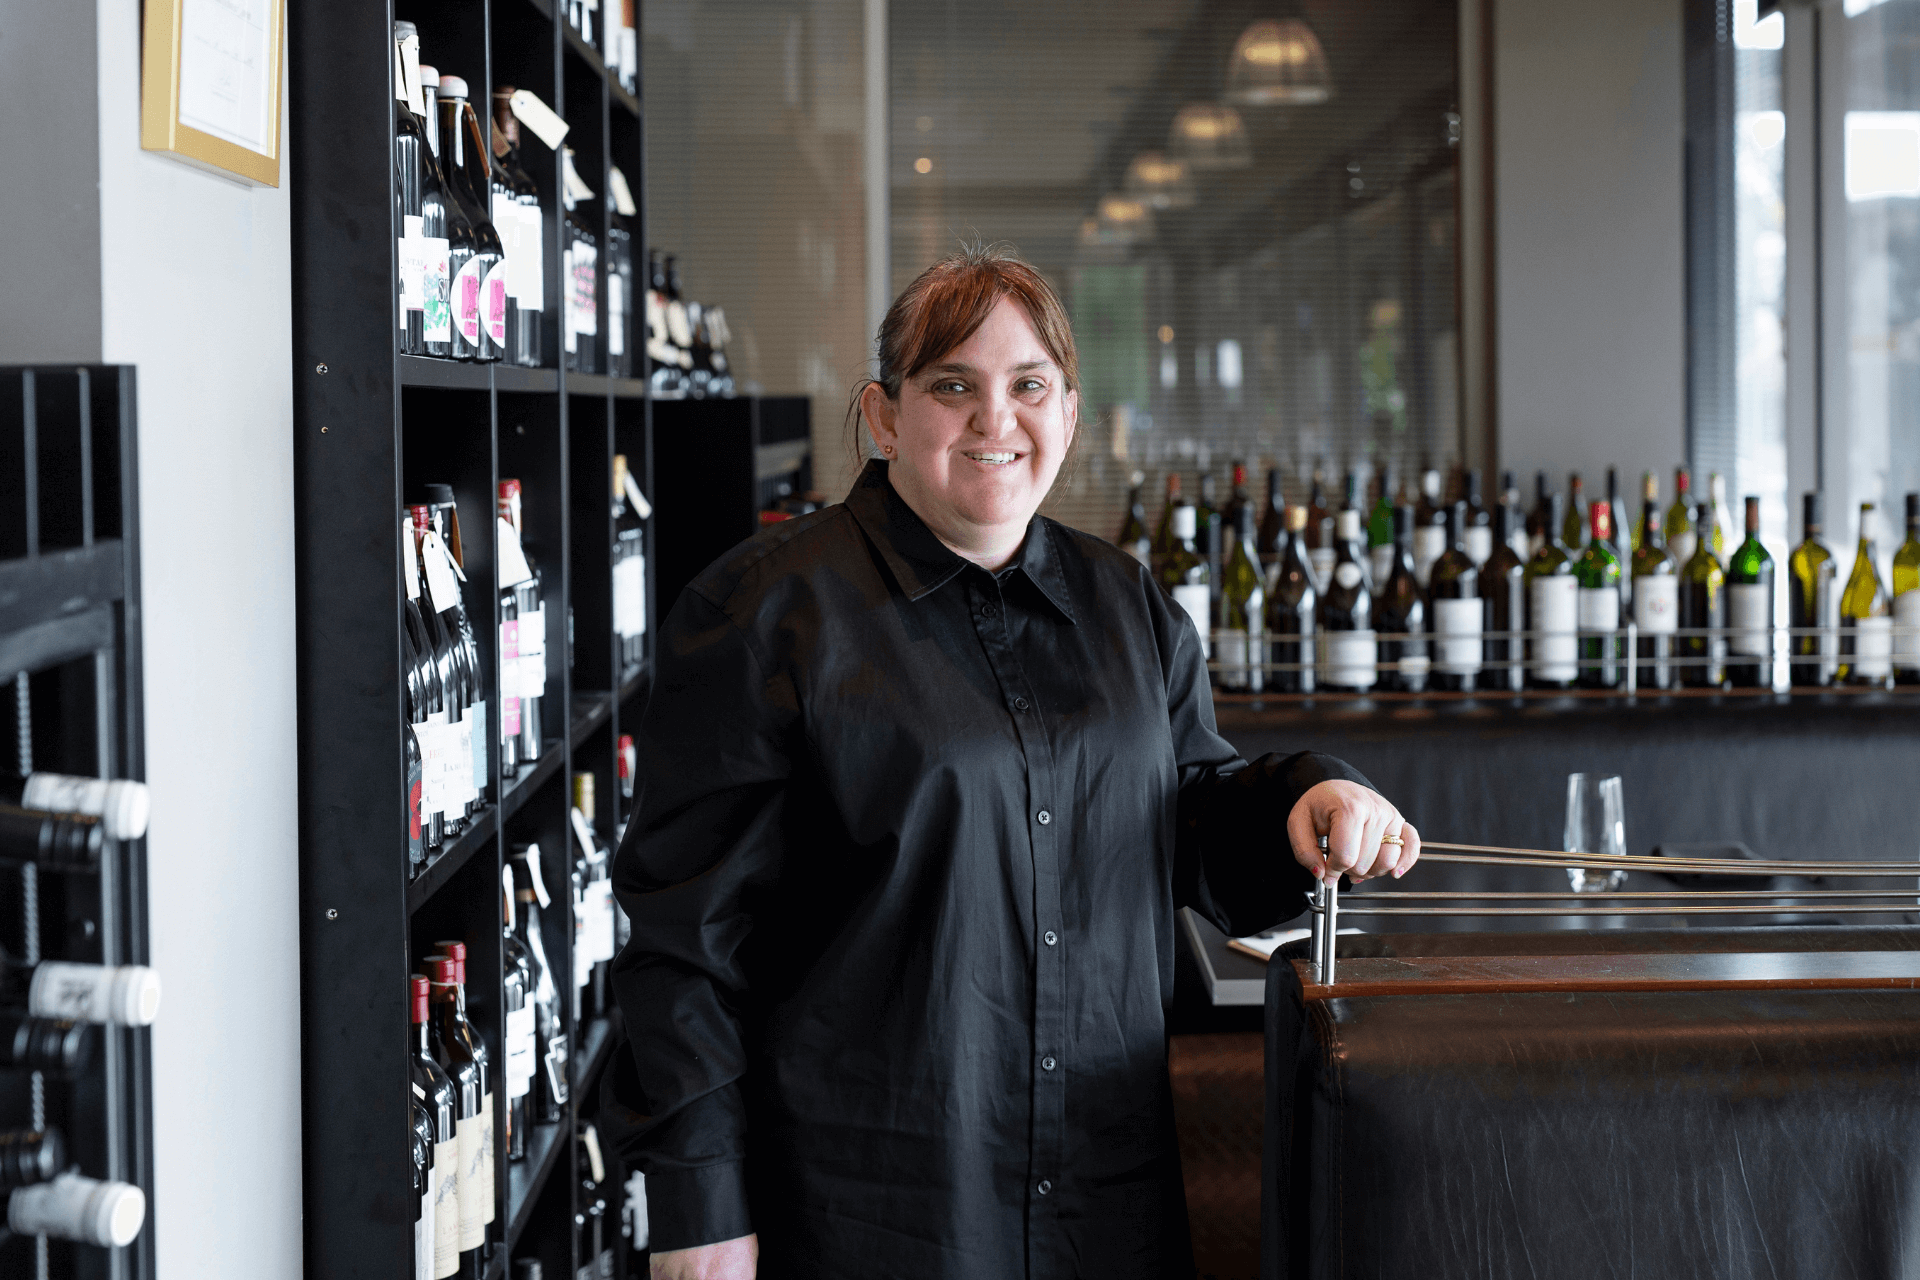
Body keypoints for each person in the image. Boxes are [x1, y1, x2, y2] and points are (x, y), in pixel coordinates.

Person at [605, 246, 1420, 1280]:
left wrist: (1306, 795)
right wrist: (699, 1204)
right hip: (872, 1210)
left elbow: (1186, 817)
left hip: (1102, 1195)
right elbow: (685, 944)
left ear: (1069, 416)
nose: (996, 420)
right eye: (953, 384)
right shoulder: (765, 613)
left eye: (1028, 385)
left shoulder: (1131, 607)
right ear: (887, 414)